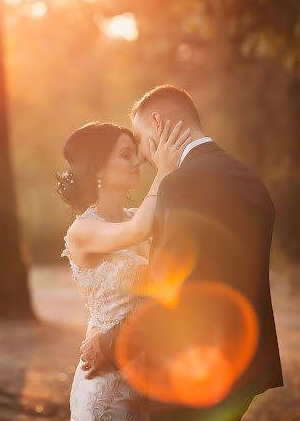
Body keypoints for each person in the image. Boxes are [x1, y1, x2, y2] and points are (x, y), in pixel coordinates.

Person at [80, 85, 284, 421]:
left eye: (141, 138)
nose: (144, 156)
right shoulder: (250, 181)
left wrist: (107, 345)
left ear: (158, 124)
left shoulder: (179, 184)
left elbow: (170, 295)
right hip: (245, 374)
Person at [58, 120, 191, 420]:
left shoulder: (134, 218)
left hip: (147, 375)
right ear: (99, 169)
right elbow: (138, 230)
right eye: (125, 154)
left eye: (135, 153)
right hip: (106, 383)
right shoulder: (83, 229)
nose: (136, 162)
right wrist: (164, 170)